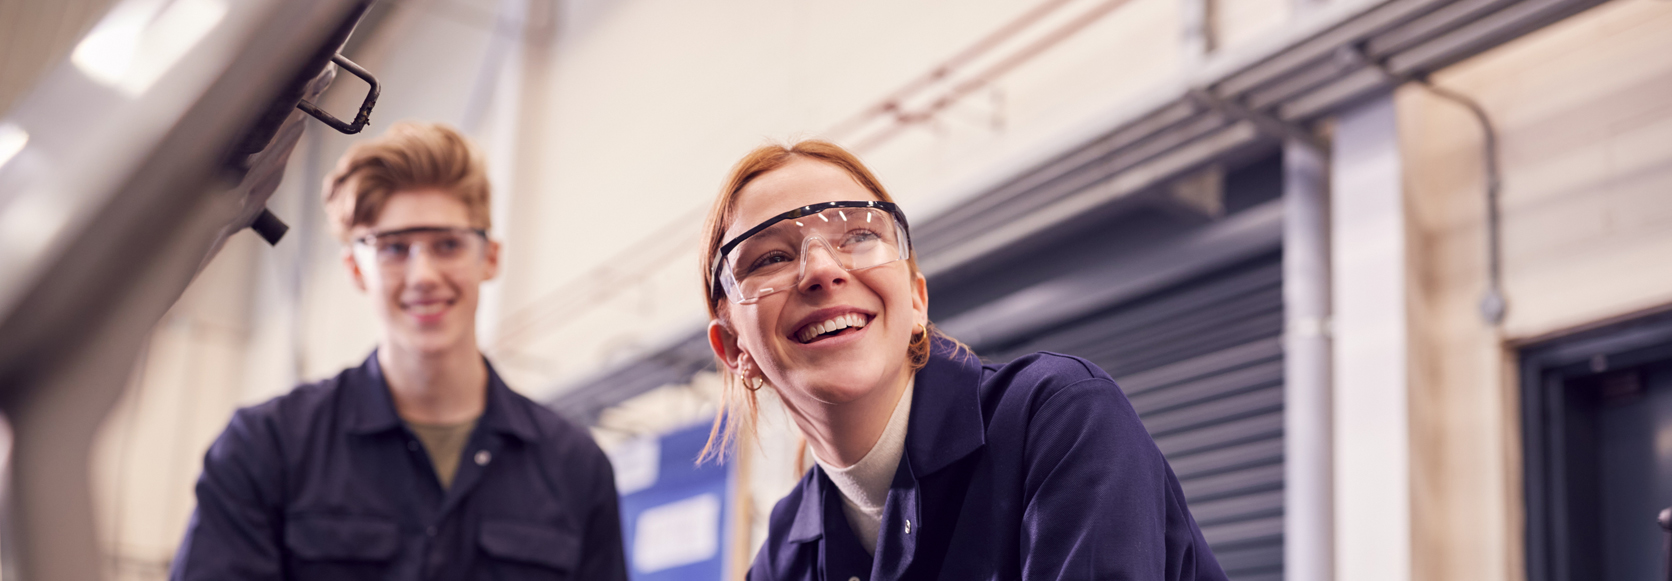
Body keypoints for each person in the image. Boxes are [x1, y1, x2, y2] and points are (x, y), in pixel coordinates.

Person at [699, 140, 1228, 580]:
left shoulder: (1058, 419)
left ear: (916, 302)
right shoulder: (786, 552)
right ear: (734, 350)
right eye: (770, 256)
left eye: (859, 235)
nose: (821, 269)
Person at [172, 122, 627, 580]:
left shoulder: (575, 468)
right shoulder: (266, 449)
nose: (424, 274)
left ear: (489, 258)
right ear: (355, 269)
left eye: (447, 244)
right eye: (393, 249)